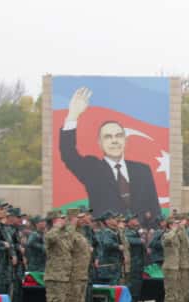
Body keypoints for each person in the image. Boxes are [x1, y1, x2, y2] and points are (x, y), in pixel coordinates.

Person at [59, 86, 162, 219]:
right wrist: (73, 115)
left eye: (118, 136)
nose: (114, 141)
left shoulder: (143, 170)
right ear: (99, 143)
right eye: (108, 137)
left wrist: (150, 233)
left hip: (139, 237)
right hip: (107, 237)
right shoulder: (92, 169)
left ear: (125, 140)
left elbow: (155, 209)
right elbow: (69, 154)